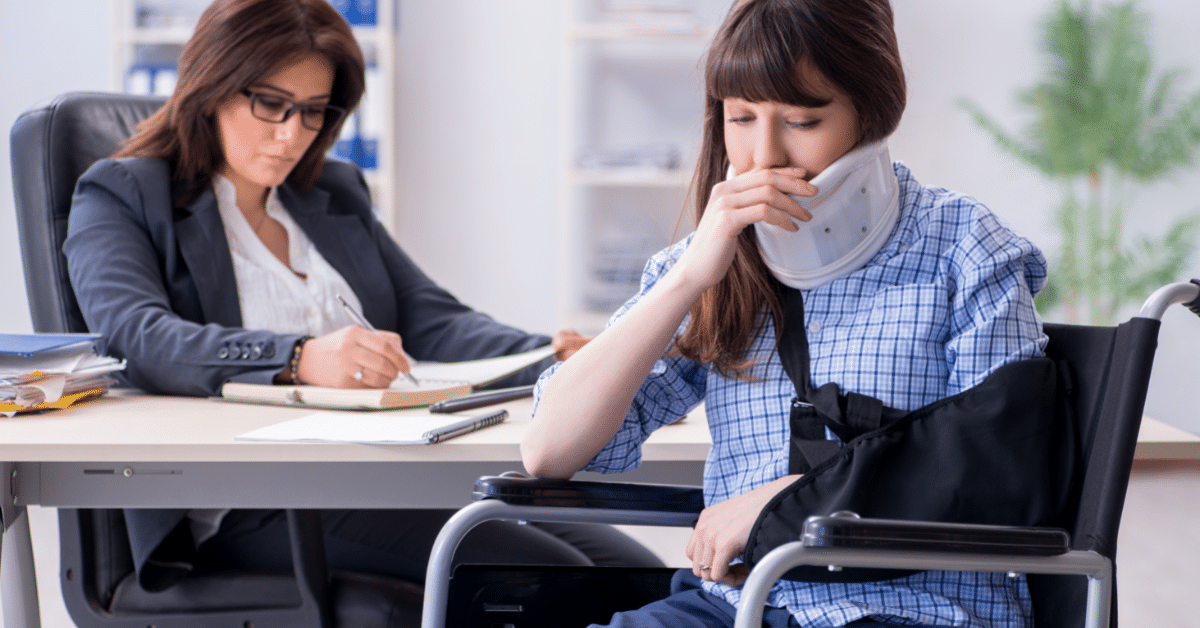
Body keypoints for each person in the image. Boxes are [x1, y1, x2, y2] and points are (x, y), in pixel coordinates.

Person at [64, 0, 658, 596]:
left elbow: (431, 319)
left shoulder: (330, 192)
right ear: (210, 84)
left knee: (641, 576)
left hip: (378, 476)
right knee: (554, 579)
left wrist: (557, 359)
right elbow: (136, 337)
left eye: (313, 112)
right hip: (246, 501)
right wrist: (301, 359)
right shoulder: (122, 194)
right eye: (270, 104)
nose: (291, 133)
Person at [523, 0, 1055, 627]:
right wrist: (688, 278)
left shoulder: (964, 247)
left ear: (872, 113)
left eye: (803, 120)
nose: (764, 155)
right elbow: (549, 452)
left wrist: (790, 500)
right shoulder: (712, 266)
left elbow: (1001, 457)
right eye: (741, 118)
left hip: (915, 610)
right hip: (737, 606)